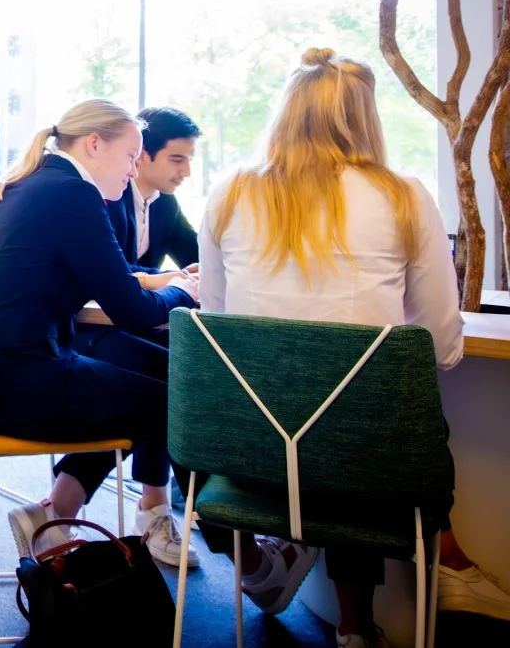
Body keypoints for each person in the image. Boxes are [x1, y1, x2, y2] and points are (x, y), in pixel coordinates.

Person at [200, 48, 507, 645]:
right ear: (366, 116)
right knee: (361, 435)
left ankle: (269, 568)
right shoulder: (403, 195)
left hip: (246, 453)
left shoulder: (228, 191)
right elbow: (442, 348)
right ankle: (360, 626)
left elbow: (216, 326)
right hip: (362, 462)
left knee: (332, 434)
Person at [0, 99, 198, 566]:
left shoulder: (32, 183)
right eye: (130, 156)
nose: (133, 170)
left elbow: (105, 272)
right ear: (93, 145)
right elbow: (133, 312)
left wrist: (164, 283)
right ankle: (241, 556)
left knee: (144, 388)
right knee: (174, 401)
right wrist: (185, 290)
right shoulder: (72, 194)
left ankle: (53, 515)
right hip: (16, 388)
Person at [106, 106, 201, 272]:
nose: (186, 172)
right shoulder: (108, 197)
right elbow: (107, 270)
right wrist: (174, 278)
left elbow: (196, 255)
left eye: (189, 160)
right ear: (141, 155)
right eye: (177, 160)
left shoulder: (166, 202)